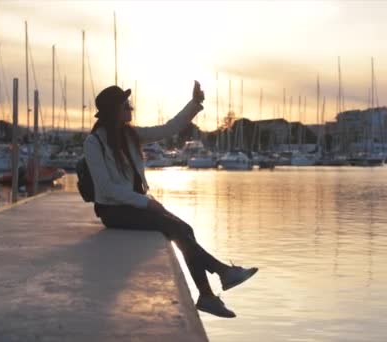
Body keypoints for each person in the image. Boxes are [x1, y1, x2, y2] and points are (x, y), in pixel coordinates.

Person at [84, 81, 258, 318]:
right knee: (173, 226)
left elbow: (169, 128)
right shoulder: (94, 143)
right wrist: (147, 202)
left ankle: (208, 295)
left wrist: (195, 104)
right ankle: (221, 274)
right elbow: (106, 188)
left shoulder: (131, 135)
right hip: (113, 211)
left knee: (184, 228)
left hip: (134, 206)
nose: (130, 109)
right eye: (126, 105)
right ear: (114, 110)